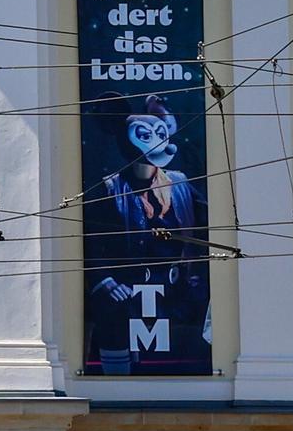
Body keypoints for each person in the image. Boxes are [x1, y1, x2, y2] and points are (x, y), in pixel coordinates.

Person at [84, 92, 210, 374]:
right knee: (119, 348)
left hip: (176, 292)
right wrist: (106, 281)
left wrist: (199, 269)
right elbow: (90, 241)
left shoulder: (179, 183)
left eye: (161, 134)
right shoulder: (109, 189)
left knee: (180, 362)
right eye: (145, 135)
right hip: (128, 293)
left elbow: (206, 225)